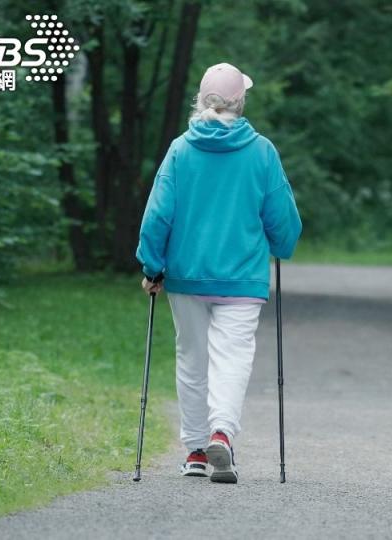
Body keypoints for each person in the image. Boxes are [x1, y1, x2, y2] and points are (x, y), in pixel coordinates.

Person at [136, 63, 302, 483]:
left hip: (187, 276)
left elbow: (158, 214)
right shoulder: (262, 151)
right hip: (242, 279)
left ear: (200, 101)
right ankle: (221, 435)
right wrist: (282, 245)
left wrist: (152, 266)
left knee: (192, 360)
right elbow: (282, 218)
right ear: (240, 102)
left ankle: (195, 451)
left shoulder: (180, 150)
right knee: (232, 359)